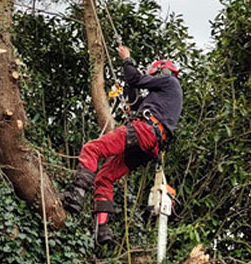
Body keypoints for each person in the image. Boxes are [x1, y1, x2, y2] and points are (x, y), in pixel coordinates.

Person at [60, 44, 182, 246]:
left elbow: (136, 79)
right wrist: (128, 88)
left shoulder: (169, 81)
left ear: (161, 72)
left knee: (92, 148)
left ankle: (76, 194)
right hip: (150, 146)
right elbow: (135, 102)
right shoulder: (162, 98)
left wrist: (127, 59)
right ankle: (102, 229)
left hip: (145, 132)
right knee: (104, 177)